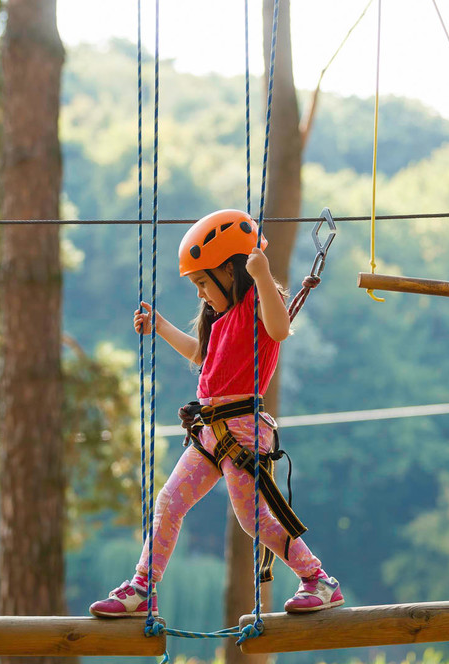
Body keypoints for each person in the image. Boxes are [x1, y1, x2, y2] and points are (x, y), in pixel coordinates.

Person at [89, 209, 343, 617]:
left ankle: (318, 579)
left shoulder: (258, 302)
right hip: (210, 432)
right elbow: (201, 356)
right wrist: (160, 326)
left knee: (253, 519)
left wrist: (262, 275)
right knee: (169, 502)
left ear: (229, 270)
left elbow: (279, 330)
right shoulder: (222, 320)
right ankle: (142, 587)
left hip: (242, 431)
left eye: (203, 283)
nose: (200, 294)